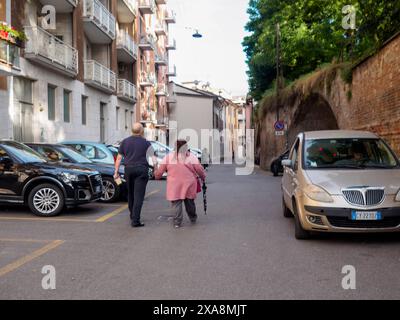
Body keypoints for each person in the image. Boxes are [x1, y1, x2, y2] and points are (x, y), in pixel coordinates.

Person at [155, 139, 206, 229]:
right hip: (189, 184)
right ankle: (193, 217)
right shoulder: (192, 157)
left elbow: (159, 173)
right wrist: (203, 177)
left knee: (176, 203)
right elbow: (199, 169)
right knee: (190, 202)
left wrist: (157, 174)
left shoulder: (168, 157)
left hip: (174, 185)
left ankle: (177, 222)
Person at [115, 123, 156, 228]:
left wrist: (116, 172)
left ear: (132, 131)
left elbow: (119, 158)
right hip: (141, 170)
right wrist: (155, 168)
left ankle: (132, 215)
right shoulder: (146, 143)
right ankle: (135, 221)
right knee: (139, 196)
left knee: (131, 194)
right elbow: (153, 157)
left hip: (128, 170)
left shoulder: (125, 142)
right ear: (141, 131)